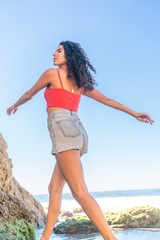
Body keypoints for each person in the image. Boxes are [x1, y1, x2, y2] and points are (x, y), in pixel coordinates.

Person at [7, 40, 154, 240]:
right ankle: (45, 237)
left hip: (63, 127)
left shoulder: (52, 74)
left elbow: (28, 94)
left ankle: (111, 239)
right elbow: (106, 100)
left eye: (59, 51)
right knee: (54, 188)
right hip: (78, 132)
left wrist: (15, 105)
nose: (54, 53)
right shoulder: (80, 83)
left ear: (69, 56)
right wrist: (133, 113)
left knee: (79, 192)